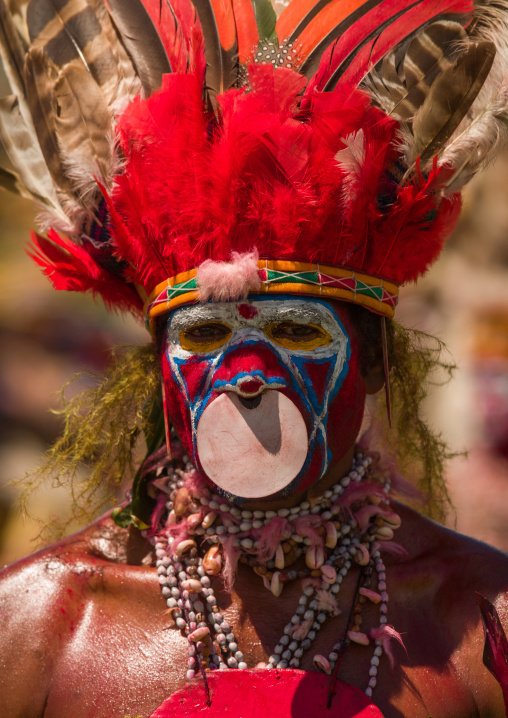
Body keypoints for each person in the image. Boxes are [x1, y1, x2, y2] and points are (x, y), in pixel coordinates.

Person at [1, 0, 508, 716]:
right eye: (207, 338)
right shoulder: (41, 621)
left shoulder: (476, 621)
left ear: (373, 362)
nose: (247, 377)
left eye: (297, 332)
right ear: (159, 370)